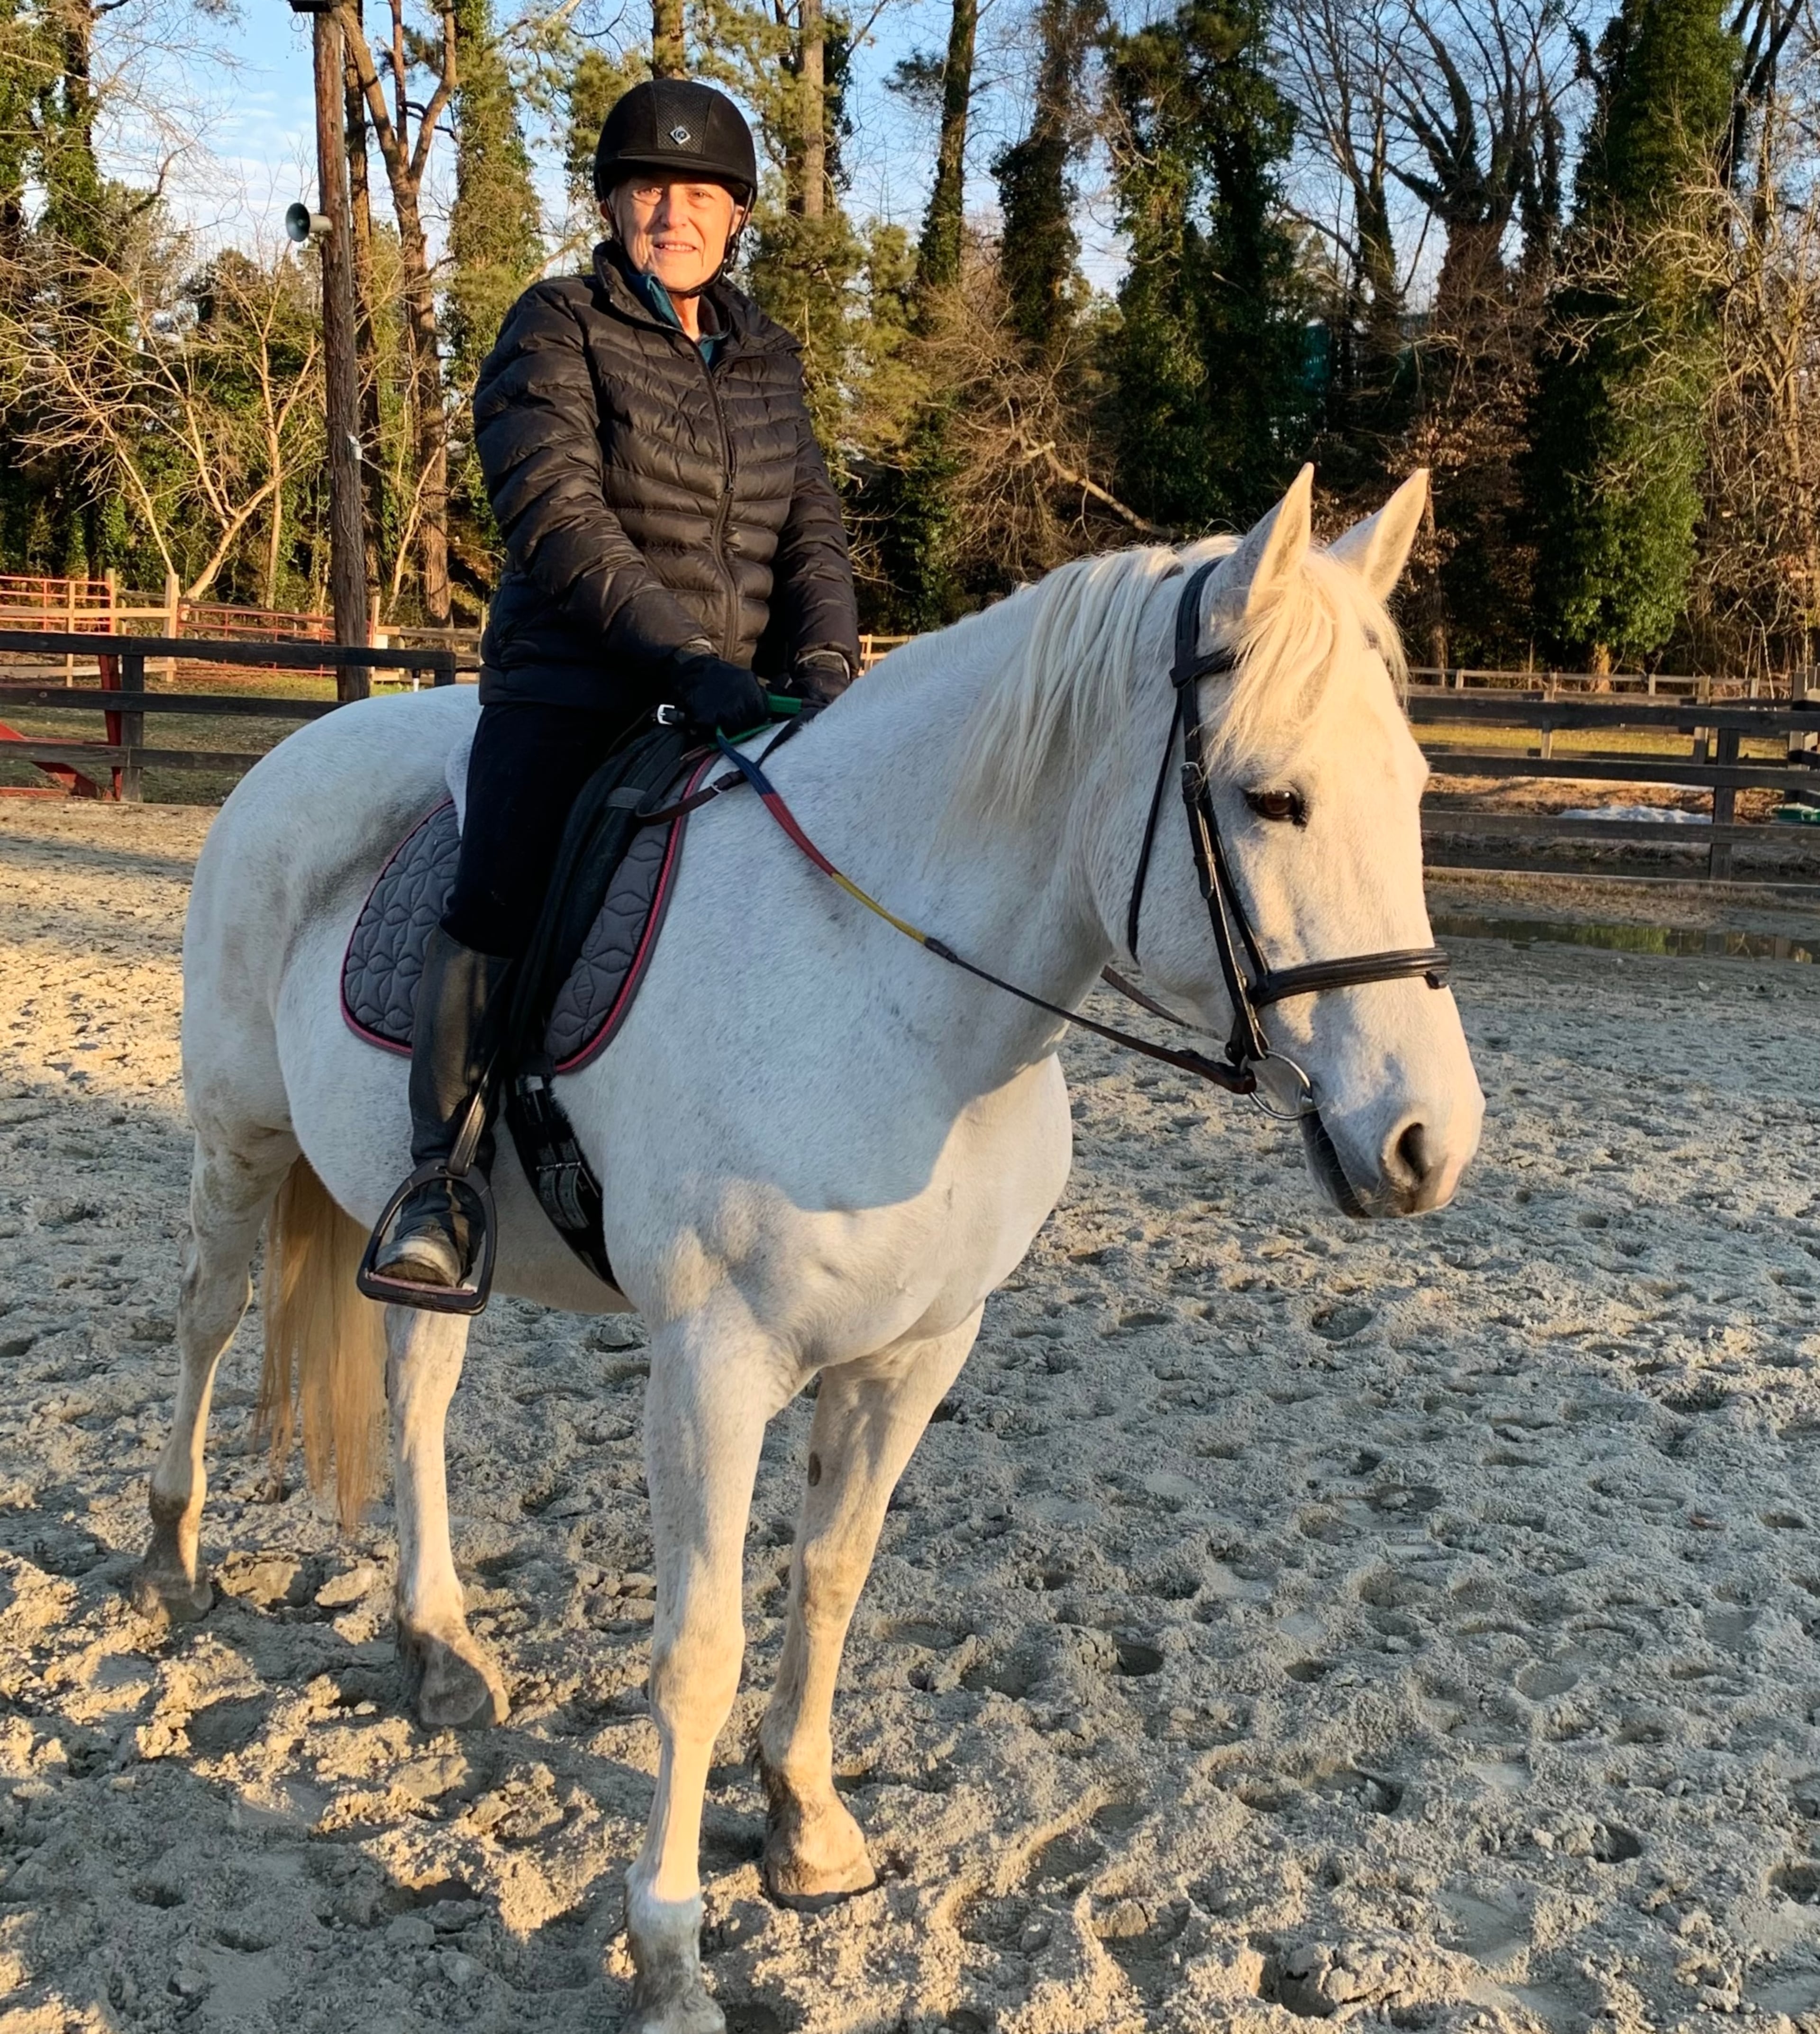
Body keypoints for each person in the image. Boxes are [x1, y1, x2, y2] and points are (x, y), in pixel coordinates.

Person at [371, 76, 861, 1294]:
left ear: (737, 215)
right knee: (503, 881)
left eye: (701, 192)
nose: (673, 211)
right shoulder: (552, 327)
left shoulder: (769, 355)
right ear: (610, 201)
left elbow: (813, 527)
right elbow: (562, 519)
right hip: (575, 688)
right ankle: (442, 1178)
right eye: (650, 187)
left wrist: (826, 665)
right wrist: (686, 662)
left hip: (738, 695)